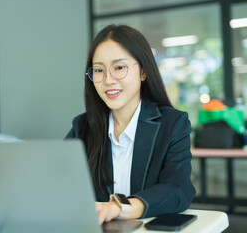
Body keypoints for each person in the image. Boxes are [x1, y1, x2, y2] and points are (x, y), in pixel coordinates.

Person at [66, 25, 195, 224]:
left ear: (143, 72)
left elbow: (178, 190)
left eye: (119, 67)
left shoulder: (172, 124)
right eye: (99, 70)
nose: (108, 80)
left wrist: (118, 208)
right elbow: (57, 184)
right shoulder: (82, 127)